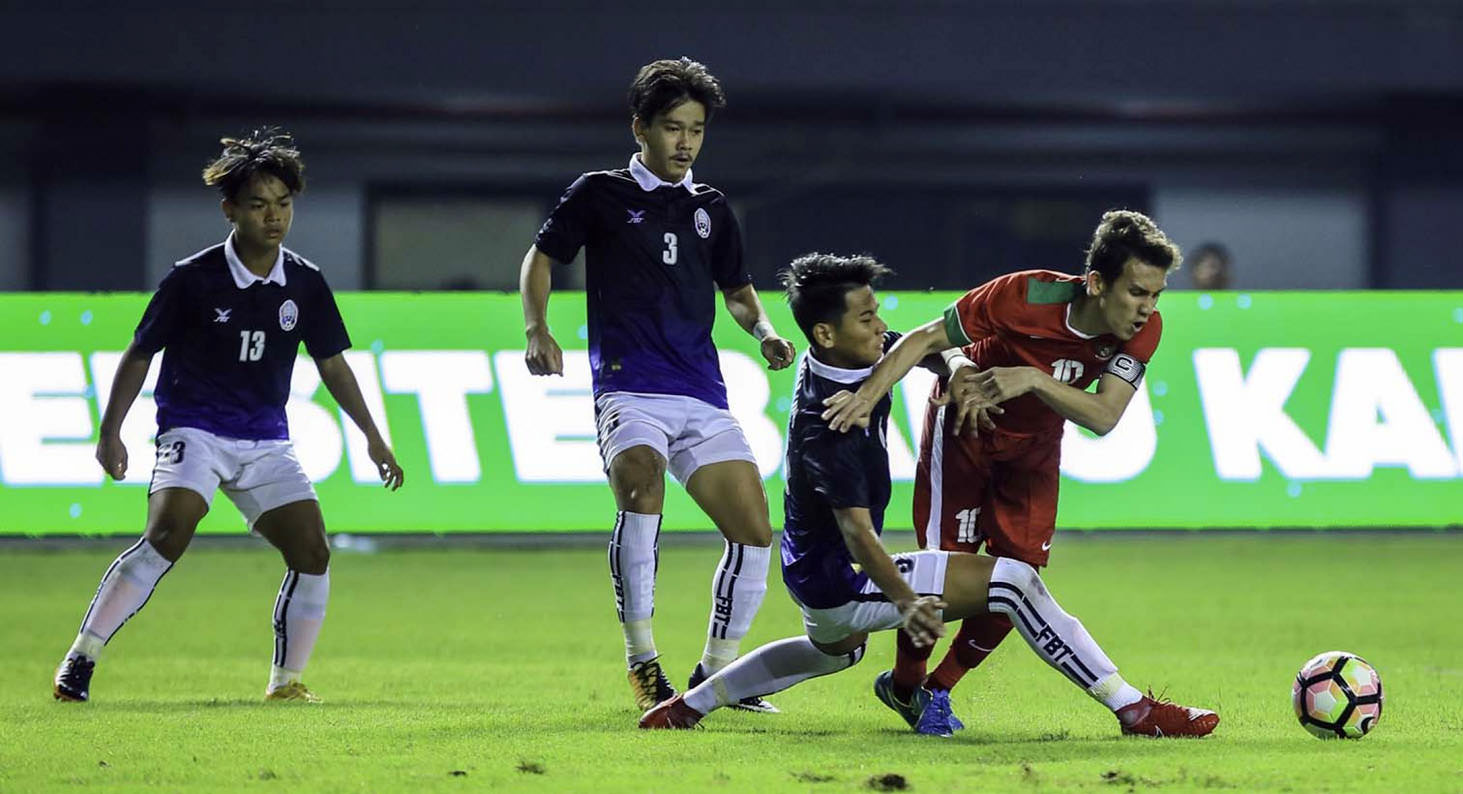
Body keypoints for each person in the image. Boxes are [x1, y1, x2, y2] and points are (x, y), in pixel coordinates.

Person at [639, 249, 1216, 737]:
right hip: (846, 577)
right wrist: (908, 602)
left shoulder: (839, 359)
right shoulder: (832, 424)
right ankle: (1133, 709)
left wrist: (958, 363)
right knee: (1016, 582)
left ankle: (691, 704)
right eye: (867, 318)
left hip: (815, 580)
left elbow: (917, 344)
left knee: (832, 649)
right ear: (826, 332)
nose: (881, 328)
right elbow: (859, 535)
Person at [818, 210, 1215, 736]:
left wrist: (1031, 378)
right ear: (1096, 283)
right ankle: (907, 686)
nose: (1147, 310)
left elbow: (1104, 415)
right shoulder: (1022, 296)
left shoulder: (1143, 333)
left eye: (1156, 296)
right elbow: (924, 339)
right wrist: (868, 397)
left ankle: (938, 687)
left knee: (1019, 577)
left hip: (1033, 452)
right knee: (946, 574)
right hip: (962, 433)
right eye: (1137, 292)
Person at [51, 129, 404, 704]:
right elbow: (141, 352)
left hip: (266, 441)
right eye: (260, 204)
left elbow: (334, 365)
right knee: (168, 534)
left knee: (313, 551)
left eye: (284, 204)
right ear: (230, 209)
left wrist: (372, 435)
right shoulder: (193, 279)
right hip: (194, 427)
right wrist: (110, 429)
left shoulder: (306, 284)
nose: (274, 217)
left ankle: (285, 684)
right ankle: (82, 656)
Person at [518, 57, 796, 713]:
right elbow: (542, 258)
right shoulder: (599, 193)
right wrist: (537, 329)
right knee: (640, 491)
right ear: (639, 127)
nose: (685, 142)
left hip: (700, 392)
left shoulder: (711, 207)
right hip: (628, 387)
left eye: (696, 129)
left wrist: (764, 332)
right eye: (672, 127)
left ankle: (717, 677)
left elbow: (737, 291)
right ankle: (643, 663)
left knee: (755, 529)